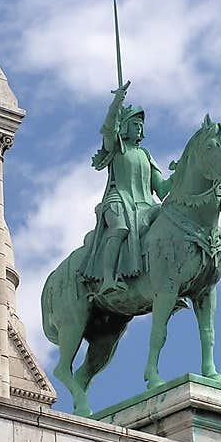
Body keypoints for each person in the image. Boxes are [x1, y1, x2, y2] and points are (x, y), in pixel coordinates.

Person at [80, 80, 171, 294]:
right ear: (126, 126)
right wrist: (116, 103)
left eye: (141, 125)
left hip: (146, 206)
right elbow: (109, 130)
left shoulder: (145, 155)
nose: (139, 128)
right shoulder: (117, 147)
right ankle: (108, 280)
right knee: (120, 229)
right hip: (118, 200)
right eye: (135, 124)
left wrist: (186, 171)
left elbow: (163, 189)